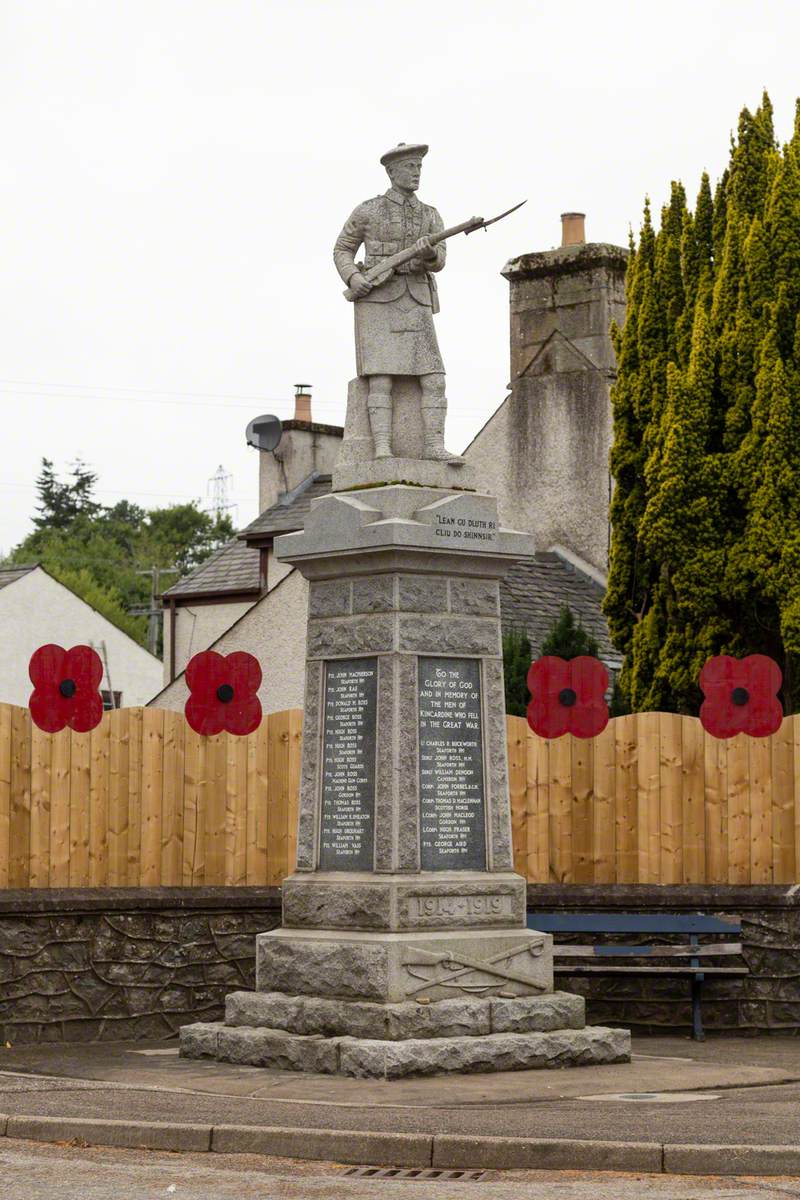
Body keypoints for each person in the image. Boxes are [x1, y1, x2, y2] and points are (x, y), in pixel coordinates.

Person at [333, 143, 461, 462]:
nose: (416, 173)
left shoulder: (430, 215)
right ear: (392, 172)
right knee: (381, 379)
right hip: (377, 299)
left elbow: (440, 260)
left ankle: (433, 446)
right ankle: (382, 448)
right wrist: (352, 277)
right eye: (409, 167)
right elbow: (342, 249)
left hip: (415, 296)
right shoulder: (368, 210)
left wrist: (429, 253)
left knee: (434, 378)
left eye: (419, 168)